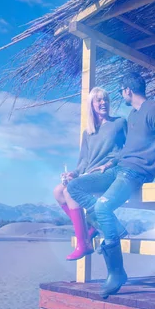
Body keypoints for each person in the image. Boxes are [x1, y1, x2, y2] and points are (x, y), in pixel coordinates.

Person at [67, 72, 155, 299]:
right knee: (74, 187)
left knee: (102, 208)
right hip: (118, 168)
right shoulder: (132, 115)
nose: (121, 96)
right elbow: (125, 150)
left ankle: (116, 272)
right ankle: (115, 227)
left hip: (136, 172)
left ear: (127, 91)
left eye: (121, 92)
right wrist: (109, 163)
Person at [54, 87, 127, 261]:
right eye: (99, 100)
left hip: (108, 172)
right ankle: (90, 229)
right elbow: (84, 161)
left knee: (69, 191)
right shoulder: (88, 132)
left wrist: (110, 163)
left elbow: (127, 150)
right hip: (89, 174)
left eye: (106, 99)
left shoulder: (119, 123)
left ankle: (83, 243)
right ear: (92, 105)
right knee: (58, 191)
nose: (103, 103)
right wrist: (74, 173)